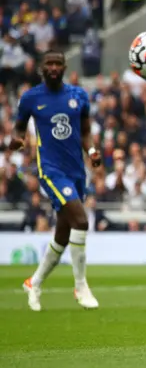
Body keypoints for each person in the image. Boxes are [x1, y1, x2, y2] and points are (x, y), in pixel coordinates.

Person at [10, 50, 102, 312]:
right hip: (51, 170)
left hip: (76, 171)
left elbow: (85, 132)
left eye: (57, 63)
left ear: (63, 67)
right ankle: (81, 285)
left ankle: (34, 282)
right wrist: (17, 140)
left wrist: (92, 151)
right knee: (81, 221)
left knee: (62, 234)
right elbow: (19, 128)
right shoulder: (31, 98)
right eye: (48, 63)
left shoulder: (78, 96)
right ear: (42, 67)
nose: (52, 67)